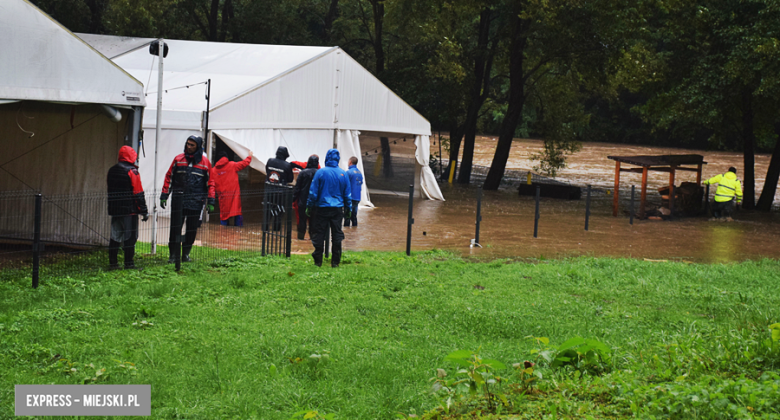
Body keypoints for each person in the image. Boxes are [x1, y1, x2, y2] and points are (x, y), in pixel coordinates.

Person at [160, 135, 216, 263]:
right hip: (178, 201)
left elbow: (210, 183)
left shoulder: (205, 163)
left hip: (196, 202)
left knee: (191, 230)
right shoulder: (178, 159)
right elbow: (169, 177)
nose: (189, 147)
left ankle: (185, 254)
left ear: (198, 147)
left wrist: (211, 201)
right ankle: (173, 255)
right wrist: (164, 195)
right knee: (175, 228)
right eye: (187, 144)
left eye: (192, 145)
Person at [306, 149, 352, 267]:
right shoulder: (343, 174)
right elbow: (347, 194)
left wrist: (309, 206)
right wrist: (348, 209)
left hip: (321, 208)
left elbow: (313, 192)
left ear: (326, 158)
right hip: (337, 209)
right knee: (337, 234)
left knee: (319, 234)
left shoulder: (320, 173)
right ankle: (335, 261)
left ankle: (318, 260)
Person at [107, 145, 149, 269]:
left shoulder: (111, 170)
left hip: (115, 209)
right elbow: (138, 193)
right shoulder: (132, 172)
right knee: (130, 237)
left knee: (115, 236)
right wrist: (144, 211)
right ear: (132, 157)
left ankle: (113, 263)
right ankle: (129, 263)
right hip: (129, 211)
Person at [213, 149, 253, 226]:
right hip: (234, 196)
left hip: (223, 197)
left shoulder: (213, 171)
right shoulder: (232, 165)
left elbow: (211, 184)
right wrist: (249, 156)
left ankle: (222, 234)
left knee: (224, 216)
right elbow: (244, 163)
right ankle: (238, 233)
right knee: (237, 212)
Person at [292, 154, 319, 240]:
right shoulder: (319, 173)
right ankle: (313, 239)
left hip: (302, 201)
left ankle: (300, 238)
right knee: (313, 221)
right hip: (315, 202)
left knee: (302, 220)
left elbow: (297, 188)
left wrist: (293, 199)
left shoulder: (303, 173)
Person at [344, 156, 363, 227]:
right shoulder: (359, 173)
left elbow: (344, 184)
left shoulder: (348, 172)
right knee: (354, 216)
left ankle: (347, 233)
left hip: (350, 197)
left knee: (347, 216)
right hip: (357, 197)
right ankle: (354, 231)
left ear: (350, 162)